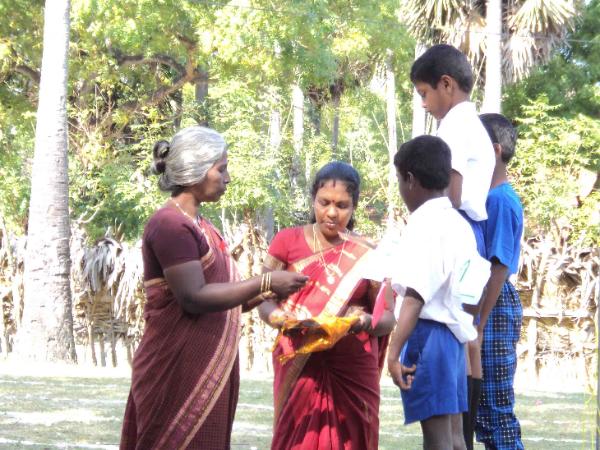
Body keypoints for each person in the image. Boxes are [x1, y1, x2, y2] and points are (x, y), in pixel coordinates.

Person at [119, 126, 308, 450]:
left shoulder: (203, 227)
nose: (227, 178)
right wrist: (264, 281)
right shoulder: (170, 224)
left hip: (204, 364)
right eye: (221, 169)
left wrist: (267, 293)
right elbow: (193, 298)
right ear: (195, 169)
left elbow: (222, 299)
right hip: (177, 367)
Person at [258, 161, 396, 450]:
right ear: (313, 199)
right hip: (300, 356)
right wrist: (281, 319)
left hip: (351, 364)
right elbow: (263, 301)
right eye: (324, 203)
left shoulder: (369, 253)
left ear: (354, 206)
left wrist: (361, 322)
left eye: (342, 205)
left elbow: (387, 318)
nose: (332, 213)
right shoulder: (286, 240)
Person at [410, 43, 495, 449]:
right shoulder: (473, 125)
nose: (424, 103)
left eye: (424, 93)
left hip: (455, 232)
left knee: (440, 329)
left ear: (446, 84)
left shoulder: (455, 127)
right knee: (461, 340)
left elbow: (452, 192)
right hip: (471, 236)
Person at [387, 135, 489, 450]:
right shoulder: (460, 225)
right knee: (456, 438)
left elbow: (415, 296)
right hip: (454, 342)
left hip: (428, 337)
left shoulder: (424, 224)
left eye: (399, 180)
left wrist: (393, 353)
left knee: (437, 441)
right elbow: (474, 293)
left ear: (410, 179)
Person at [475, 114, 524, 449]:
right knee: (479, 411)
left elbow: (499, 265)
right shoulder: (485, 197)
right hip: (485, 303)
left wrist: (479, 323)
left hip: (493, 304)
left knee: (495, 410)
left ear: (493, 151)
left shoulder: (500, 200)